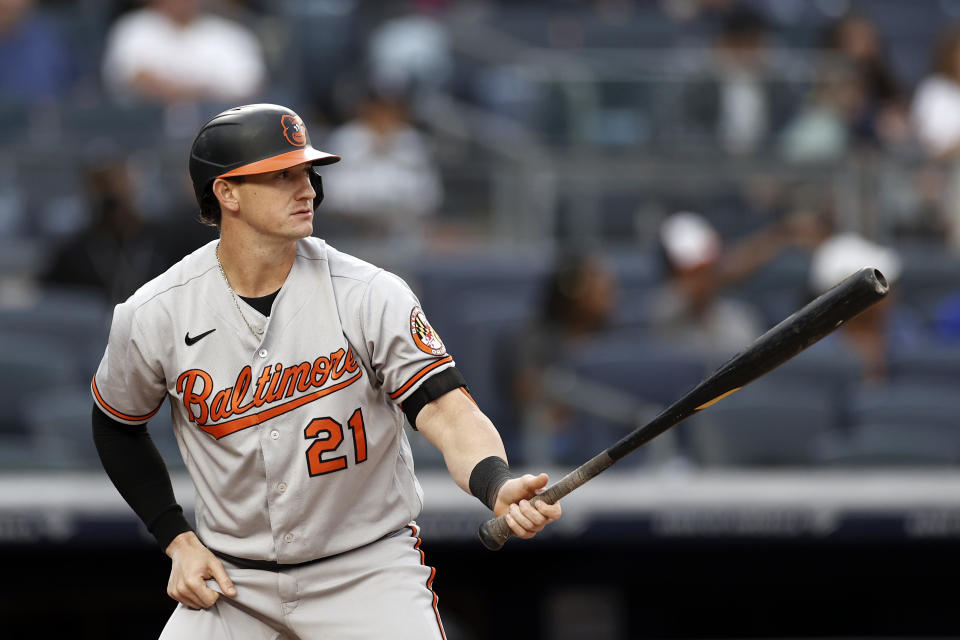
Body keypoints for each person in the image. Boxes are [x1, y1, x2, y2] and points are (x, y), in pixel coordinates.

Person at [90, 103, 560, 638]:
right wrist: (175, 537)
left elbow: (446, 410)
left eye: (307, 172)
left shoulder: (368, 293)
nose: (307, 187)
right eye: (282, 175)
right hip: (233, 580)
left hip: (365, 571)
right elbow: (115, 424)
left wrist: (494, 482)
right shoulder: (154, 312)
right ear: (227, 193)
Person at [100, 0, 265, 104]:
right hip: (146, 135)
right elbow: (131, 77)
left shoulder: (231, 35)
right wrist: (200, 90)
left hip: (217, 133)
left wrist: (179, 91)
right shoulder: (133, 29)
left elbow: (248, 87)